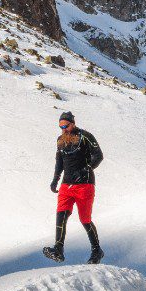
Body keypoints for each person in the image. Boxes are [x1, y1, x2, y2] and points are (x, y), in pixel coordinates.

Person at [43, 111, 104, 264]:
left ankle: (97, 250)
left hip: (85, 184)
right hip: (66, 185)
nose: (63, 129)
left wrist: (86, 169)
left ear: (73, 123)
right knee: (61, 214)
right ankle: (58, 249)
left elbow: (98, 156)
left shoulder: (85, 136)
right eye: (60, 126)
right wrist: (55, 180)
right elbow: (59, 162)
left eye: (66, 126)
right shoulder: (60, 140)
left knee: (85, 219)